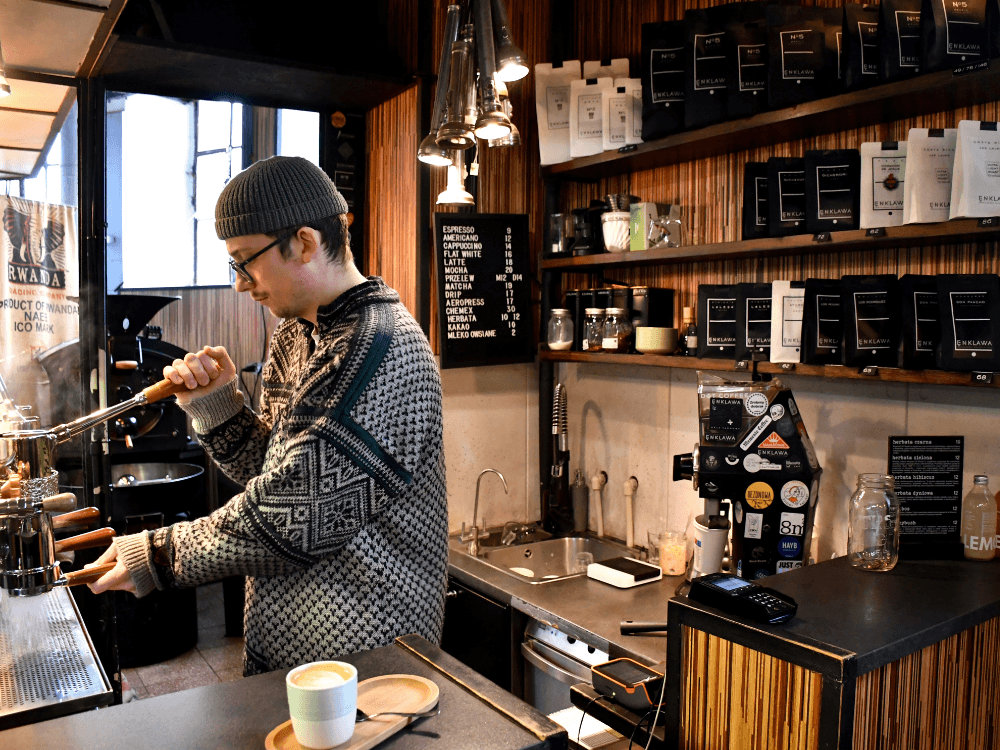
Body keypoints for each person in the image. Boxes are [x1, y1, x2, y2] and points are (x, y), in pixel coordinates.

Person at [88, 156, 448, 676]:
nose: (239, 284)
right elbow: (274, 473)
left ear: (303, 242)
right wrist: (218, 406)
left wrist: (161, 552)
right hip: (294, 654)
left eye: (244, 261)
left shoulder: (378, 348)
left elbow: (294, 518)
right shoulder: (298, 331)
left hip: (367, 660)